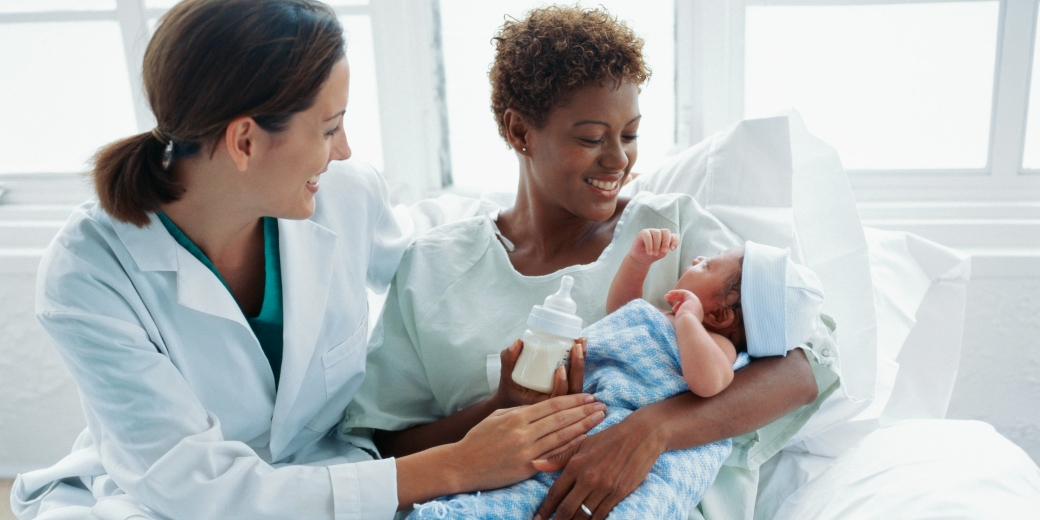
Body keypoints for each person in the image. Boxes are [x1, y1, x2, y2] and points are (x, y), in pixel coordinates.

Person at [9, 1, 604, 519]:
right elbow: (193, 489)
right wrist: (457, 466)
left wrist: (559, 204)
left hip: (331, 476)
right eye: (328, 129)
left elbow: (433, 248)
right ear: (245, 141)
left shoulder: (342, 194)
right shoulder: (89, 272)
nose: (343, 150)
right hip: (161, 504)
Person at [343, 5, 839, 520]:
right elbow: (384, 448)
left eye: (629, 135)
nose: (619, 161)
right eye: (590, 138)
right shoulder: (432, 270)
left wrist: (652, 430)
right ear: (519, 132)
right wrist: (502, 409)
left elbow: (804, 367)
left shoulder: (676, 232)